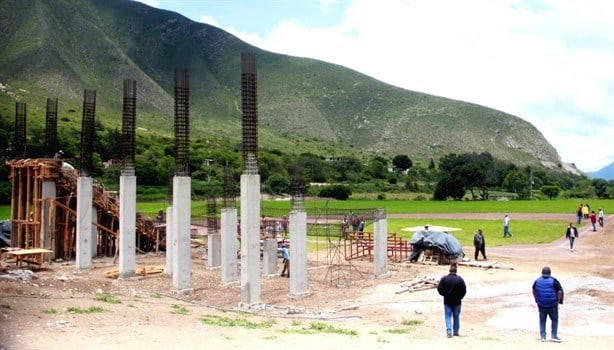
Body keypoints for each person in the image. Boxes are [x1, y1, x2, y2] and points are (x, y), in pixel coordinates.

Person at [532, 266, 563, 342]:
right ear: (550, 273)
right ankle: (554, 336)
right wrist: (558, 302)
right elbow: (559, 292)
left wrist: (536, 300)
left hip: (541, 304)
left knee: (542, 320)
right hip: (552, 305)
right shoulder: (554, 281)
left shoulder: (537, 281)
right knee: (554, 319)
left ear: (542, 273)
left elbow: (533, 290)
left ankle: (543, 337)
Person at [437, 263, 466, 338]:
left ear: (449, 270)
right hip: (457, 301)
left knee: (447, 316)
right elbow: (464, 290)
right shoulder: (460, 279)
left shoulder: (444, 279)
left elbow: (439, 289)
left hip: (447, 300)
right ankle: (456, 331)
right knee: (456, 316)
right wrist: (460, 297)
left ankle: (449, 331)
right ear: (456, 270)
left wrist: (444, 295)